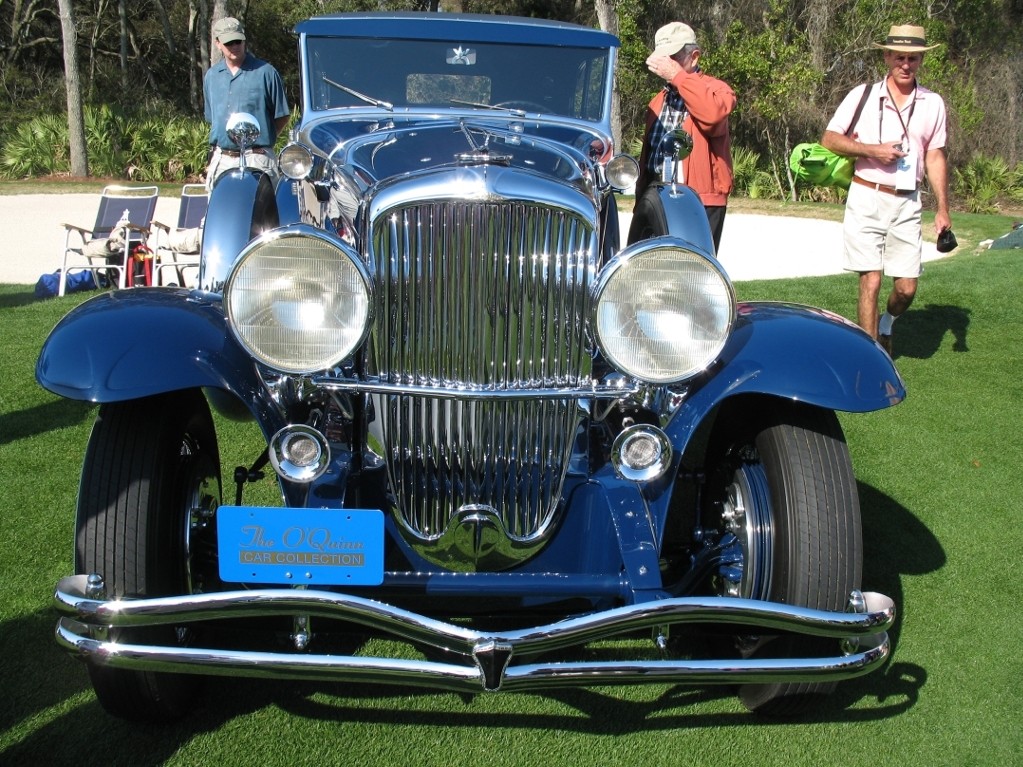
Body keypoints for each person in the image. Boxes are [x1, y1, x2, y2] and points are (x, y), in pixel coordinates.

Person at [820, 24, 952, 355]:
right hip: (866, 195)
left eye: (913, 58)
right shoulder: (863, 95)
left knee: (906, 288)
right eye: (899, 57)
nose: (905, 64)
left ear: (920, 59)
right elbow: (830, 138)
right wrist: (873, 150)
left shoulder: (932, 103)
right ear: (887, 56)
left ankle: (886, 325)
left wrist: (943, 208)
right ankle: (871, 356)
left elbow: (935, 155)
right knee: (871, 280)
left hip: (908, 201)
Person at [634, 22, 736, 252]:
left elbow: (712, 114)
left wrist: (678, 78)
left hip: (699, 202)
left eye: (673, 57)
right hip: (656, 196)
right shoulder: (658, 100)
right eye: (663, 58)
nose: (666, 65)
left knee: (692, 274)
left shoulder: (717, 90)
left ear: (694, 57)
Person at [203, 17, 290, 189]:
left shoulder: (266, 72)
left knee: (263, 215)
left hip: (258, 159)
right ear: (218, 43)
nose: (235, 46)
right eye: (229, 43)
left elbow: (282, 116)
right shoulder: (212, 76)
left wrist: (262, 140)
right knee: (219, 214)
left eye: (238, 41)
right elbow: (212, 118)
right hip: (222, 160)